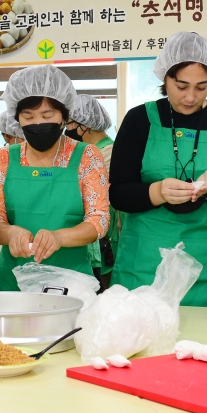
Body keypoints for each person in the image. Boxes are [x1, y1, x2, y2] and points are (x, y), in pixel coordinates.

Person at [110, 31, 207, 307]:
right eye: (181, 86)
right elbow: (118, 194)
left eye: (202, 87)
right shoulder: (140, 120)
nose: (190, 97)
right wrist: (157, 191)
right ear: (164, 78)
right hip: (145, 263)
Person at [0, 65, 110, 291]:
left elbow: (98, 221)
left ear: (64, 116)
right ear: (17, 118)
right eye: (28, 116)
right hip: (13, 283)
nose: (38, 123)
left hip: (71, 282)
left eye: (47, 115)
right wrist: (11, 233)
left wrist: (59, 238)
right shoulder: (3, 158)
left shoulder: (87, 156)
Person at [67, 94, 117, 287]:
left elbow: (81, 192)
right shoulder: (86, 151)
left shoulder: (108, 153)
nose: (67, 129)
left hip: (104, 242)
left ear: (84, 125)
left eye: (70, 123)